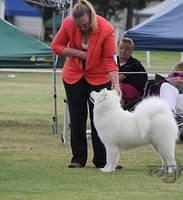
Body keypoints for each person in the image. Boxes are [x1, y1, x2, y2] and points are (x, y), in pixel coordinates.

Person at [51, 0, 121, 168]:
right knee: (77, 116)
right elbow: (56, 46)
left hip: (98, 76)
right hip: (73, 75)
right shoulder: (69, 24)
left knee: (100, 117)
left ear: (91, 17)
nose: (81, 28)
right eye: (78, 26)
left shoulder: (106, 29)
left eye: (84, 25)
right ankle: (78, 159)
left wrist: (116, 84)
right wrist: (78, 53)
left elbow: (109, 60)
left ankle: (102, 160)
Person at [116, 37, 147, 107]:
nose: (123, 51)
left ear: (131, 51)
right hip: (114, 89)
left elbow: (143, 82)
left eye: (127, 49)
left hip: (132, 92)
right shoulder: (112, 62)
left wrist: (126, 78)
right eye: (121, 48)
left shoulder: (136, 65)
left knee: (117, 88)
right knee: (119, 96)